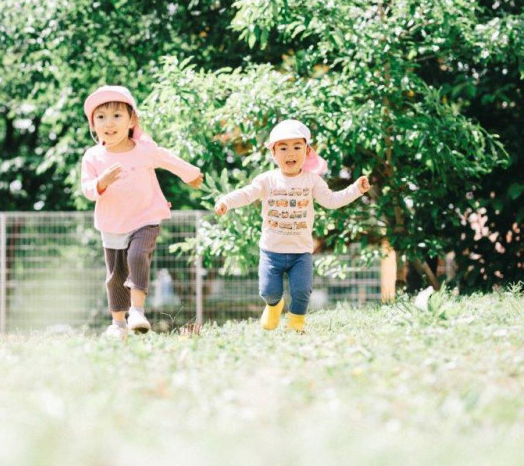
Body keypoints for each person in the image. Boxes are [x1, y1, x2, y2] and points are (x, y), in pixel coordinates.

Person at [214, 119, 370, 333]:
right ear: (273, 153)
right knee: (268, 291)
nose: (291, 153)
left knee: (302, 291)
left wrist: (356, 189)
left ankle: (296, 325)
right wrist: (226, 201)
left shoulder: (312, 180)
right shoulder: (267, 180)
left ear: (307, 151)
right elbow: (246, 194)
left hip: (300, 252)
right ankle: (274, 306)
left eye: (297, 147)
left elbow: (332, 201)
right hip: (271, 251)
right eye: (284, 148)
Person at [80, 86, 203, 339]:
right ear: (93, 124)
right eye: (100, 117)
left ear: (131, 120)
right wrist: (101, 182)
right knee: (116, 276)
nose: (109, 123)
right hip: (112, 224)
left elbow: (168, 159)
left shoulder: (143, 149)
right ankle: (118, 324)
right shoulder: (93, 156)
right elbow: (88, 190)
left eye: (117, 116)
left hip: (145, 218)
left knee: (137, 255)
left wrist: (191, 174)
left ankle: (137, 311)